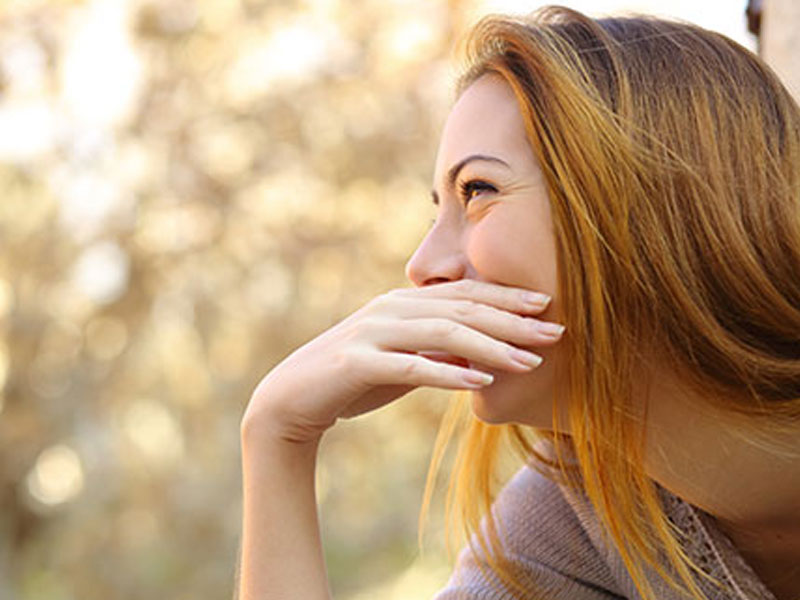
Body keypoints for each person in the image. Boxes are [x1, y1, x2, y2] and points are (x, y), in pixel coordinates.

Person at [236, 6, 800, 600]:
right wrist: (278, 438)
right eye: (439, 211)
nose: (423, 267)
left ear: (649, 205)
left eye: (477, 190)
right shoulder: (579, 517)